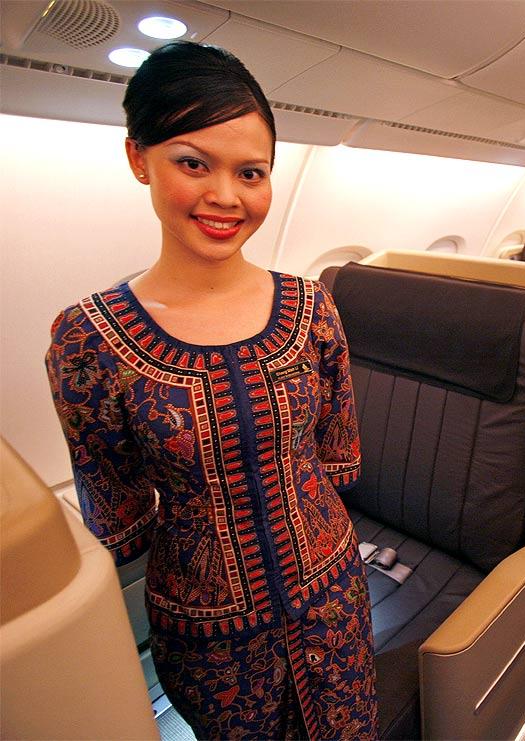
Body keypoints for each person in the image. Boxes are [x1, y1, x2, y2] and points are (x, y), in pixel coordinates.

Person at [45, 41, 378, 741]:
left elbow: (337, 455)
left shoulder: (312, 306)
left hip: (333, 597)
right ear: (140, 157)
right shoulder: (88, 340)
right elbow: (118, 511)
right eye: (193, 163)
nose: (226, 196)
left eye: (250, 172)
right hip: (208, 642)